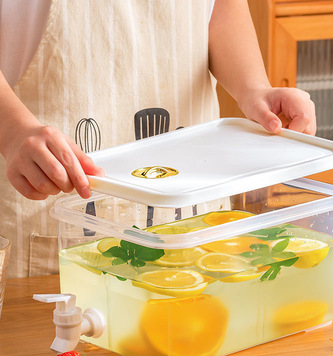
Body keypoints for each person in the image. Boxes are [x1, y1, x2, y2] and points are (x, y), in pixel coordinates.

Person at [0, 0, 316, 278]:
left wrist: (253, 87)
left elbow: (220, 6)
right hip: (51, 228)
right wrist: (13, 130)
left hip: (192, 224)